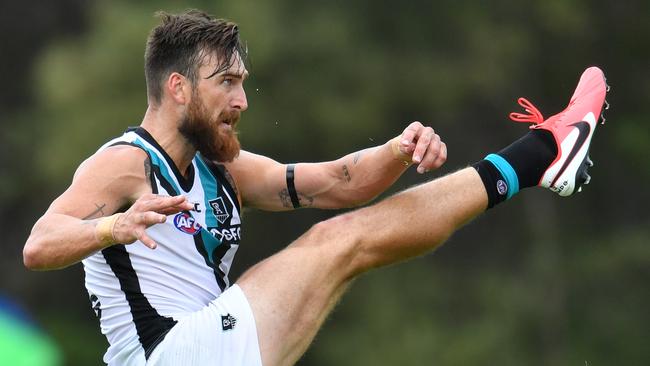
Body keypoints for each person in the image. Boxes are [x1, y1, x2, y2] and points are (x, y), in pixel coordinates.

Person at [23, 10, 609, 366]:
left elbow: (341, 185)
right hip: (171, 353)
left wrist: (399, 150)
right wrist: (113, 226)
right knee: (338, 245)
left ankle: (541, 158)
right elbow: (39, 244)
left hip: (208, 347)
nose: (241, 101)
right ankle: (542, 153)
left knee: (348, 246)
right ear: (177, 87)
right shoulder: (125, 163)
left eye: (243, 83)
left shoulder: (221, 169)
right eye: (226, 82)